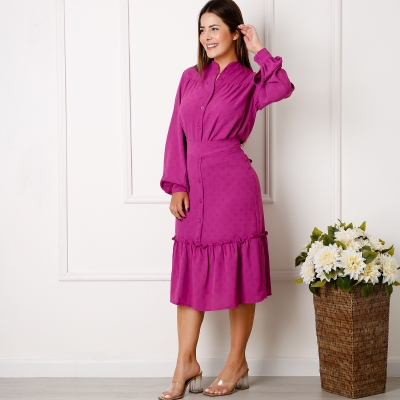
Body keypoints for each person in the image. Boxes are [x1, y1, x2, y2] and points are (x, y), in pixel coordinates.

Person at [158, 0, 295, 398]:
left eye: (215, 28)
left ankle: (236, 361)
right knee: (190, 274)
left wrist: (259, 50)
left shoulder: (250, 81)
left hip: (233, 187)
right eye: (202, 29)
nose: (207, 37)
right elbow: (176, 133)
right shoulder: (189, 78)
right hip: (193, 187)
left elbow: (283, 86)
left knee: (240, 273)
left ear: (236, 32)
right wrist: (177, 184)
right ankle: (185, 363)